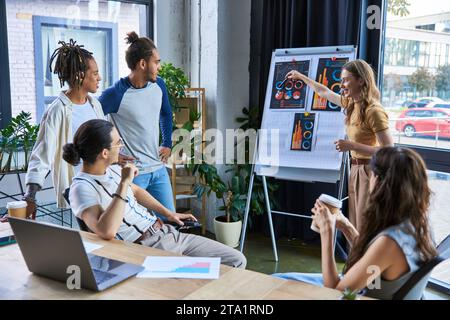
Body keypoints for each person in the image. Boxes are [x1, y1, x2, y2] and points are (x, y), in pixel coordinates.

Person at [63, 119, 246, 268]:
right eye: (118, 143)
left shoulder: (110, 170)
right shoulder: (81, 188)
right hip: (145, 248)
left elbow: (136, 191)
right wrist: (124, 183)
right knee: (201, 280)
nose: (122, 146)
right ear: (104, 152)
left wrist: (169, 214)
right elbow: (106, 230)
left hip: (166, 233)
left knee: (236, 261)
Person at [274, 147, 437, 299]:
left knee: (276, 281)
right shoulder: (419, 224)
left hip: (357, 294)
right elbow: (375, 257)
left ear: (378, 181)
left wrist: (327, 231)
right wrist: (345, 225)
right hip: (371, 287)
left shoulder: (390, 243)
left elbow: (334, 292)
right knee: (280, 278)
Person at [286, 60, 394, 232]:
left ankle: (367, 258)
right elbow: (324, 91)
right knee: (357, 223)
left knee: (366, 225)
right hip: (356, 170)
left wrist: (352, 145)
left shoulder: (374, 111)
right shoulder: (351, 104)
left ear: (361, 80)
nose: (342, 84)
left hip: (371, 171)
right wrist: (300, 76)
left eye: (345, 80)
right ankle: (358, 258)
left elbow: (389, 150)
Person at [23, 39, 105, 218]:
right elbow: (41, 155)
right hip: (78, 195)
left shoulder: (95, 105)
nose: (99, 78)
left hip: (102, 189)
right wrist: (30, 197)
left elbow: (100, 144)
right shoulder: (57, 110)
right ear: (79, 76)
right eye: (96, 73)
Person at [99, 31, 174, 221]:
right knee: (127, 230)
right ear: (142, 64)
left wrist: (167, 142)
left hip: (158, 170)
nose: (159, 66)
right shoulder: (115, 94)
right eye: (156, 62)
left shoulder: (160, 86)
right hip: (132, 174)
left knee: (171, 224)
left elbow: (165, 113)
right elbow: (93, 125)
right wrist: (113, 156)